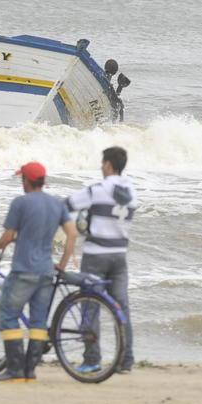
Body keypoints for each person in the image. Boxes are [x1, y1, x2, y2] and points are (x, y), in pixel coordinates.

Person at [0, 162, 77, 383]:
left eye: (22, 179)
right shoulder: (56, 204)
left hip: (24, 270)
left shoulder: (21, 203)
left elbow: (8, 235)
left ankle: (15, 370)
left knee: (8, 315)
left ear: (26, 180)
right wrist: (62, 264)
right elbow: (72, 234)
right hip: (46, 270)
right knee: (38, 321)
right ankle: (29, 371)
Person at [66, 147, 139, 374]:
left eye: (102, 163)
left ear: (108, 164)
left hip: (96, 256)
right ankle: (126, 359)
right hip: (119, 256)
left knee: (90, 306)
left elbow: (67, 205)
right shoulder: (132, 192)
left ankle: (92, 358)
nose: (101, 167)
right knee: (121, 307)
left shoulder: (97, 190)